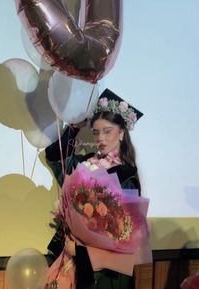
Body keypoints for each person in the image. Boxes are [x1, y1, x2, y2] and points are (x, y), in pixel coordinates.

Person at [45, 88, 144, 289]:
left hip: (107, 276)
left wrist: (80, 251)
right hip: (78, 267)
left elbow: (123, 242)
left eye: (107, 131)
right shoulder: (86, 166)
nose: (100, 138)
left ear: (122, 133)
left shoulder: (127, 178)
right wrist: (74, 127)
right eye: (96, 132)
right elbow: (56, 156)